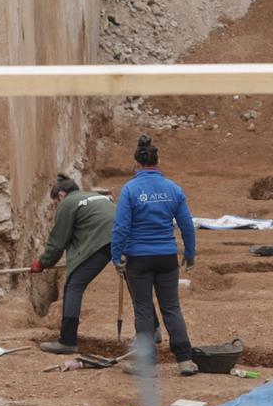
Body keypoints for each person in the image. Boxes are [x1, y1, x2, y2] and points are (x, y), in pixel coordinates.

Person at [111, 135, 197, 376]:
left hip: (138, 258)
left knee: (143, 309)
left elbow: (120, 227)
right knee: (172, 308)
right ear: (157, 162)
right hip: (167, 257)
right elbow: (186, 225)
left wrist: (116, 256)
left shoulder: (130, 190)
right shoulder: (173, 189)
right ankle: (185, 361)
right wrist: (190, 253)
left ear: (136, 164)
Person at [31, 173, 115, 355]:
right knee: (137, 282)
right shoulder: (96, 198)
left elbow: (58, 242)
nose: (57, 206)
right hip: (121, 239)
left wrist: (43, 263)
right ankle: (153, 331)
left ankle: (67, 341)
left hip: (102, 242)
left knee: (73, 286)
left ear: (61, 195)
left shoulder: (68, 204)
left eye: (55, 202)